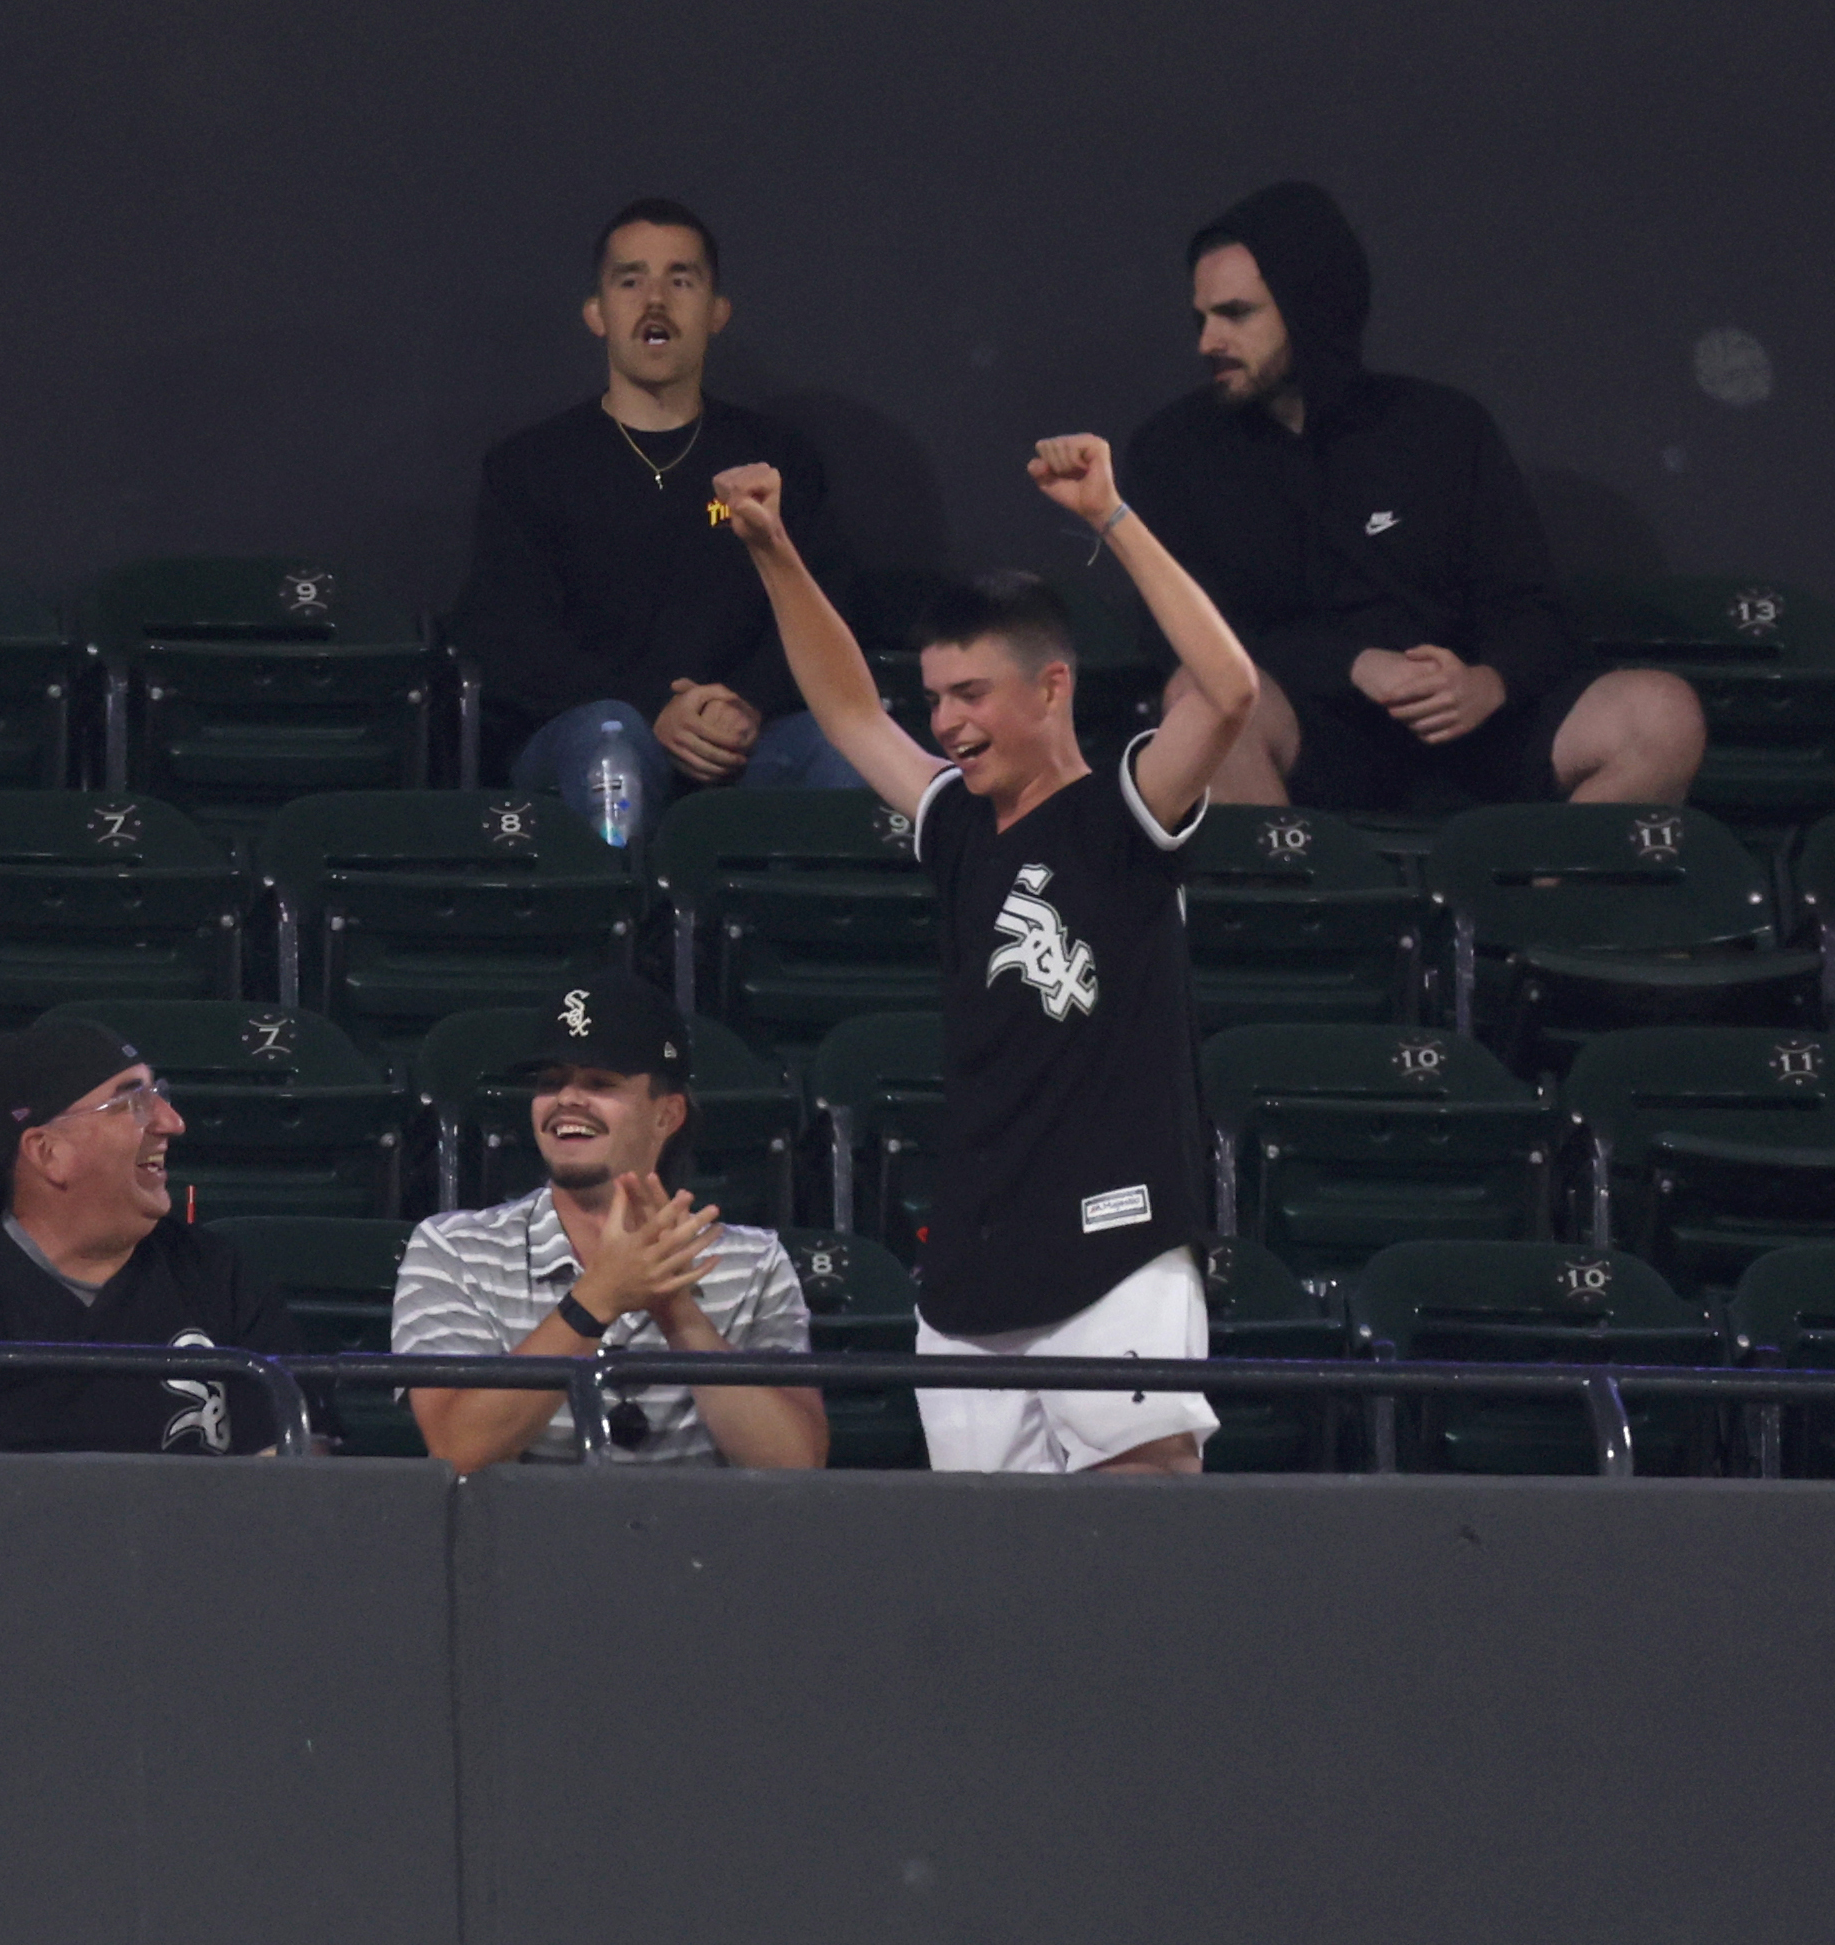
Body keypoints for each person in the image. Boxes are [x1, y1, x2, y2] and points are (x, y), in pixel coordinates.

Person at [714, 440, 1260, 1475]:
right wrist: (773, 549)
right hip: (971, 1268)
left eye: (972, 694)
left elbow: (1229, 690)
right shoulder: (957, 825)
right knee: (986, 1586)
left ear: (1052, 687)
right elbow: (844, 710)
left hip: (1115, 1248)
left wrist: (1110, 515)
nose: (949, 723)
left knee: (1137, 1563)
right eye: (938, 697)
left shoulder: (1123, 816)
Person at [1114, 181, 1703, 814]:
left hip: (1470, 734)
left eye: (1236, 314)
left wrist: (1488, 682)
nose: (1209, 342)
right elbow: (1176, 637)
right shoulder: (1173, 451)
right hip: (1312, 738)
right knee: (1203, 699)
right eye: (1201, 318)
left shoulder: (1444, 428)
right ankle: (1308, 905)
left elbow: (1532, 611)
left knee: (1661, 715)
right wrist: (1355, 665)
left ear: (1311, 309)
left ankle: (1529, 911)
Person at [449, 201, 865, 843]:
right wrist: (653, 711)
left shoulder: (778, 461)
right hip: (590, 733)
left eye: (681, 280)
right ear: (597, 313)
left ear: (716, 311)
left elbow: (830, 609)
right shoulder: (529, 464)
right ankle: (616, 937)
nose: (655, 300)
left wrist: (744, 704)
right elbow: (510, 636)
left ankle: (825, 940)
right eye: (630, 279)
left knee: (849, 749)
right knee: (611, 743)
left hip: (749, 736)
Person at [394, 974, 825, 1471]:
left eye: (599, 1083)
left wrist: (677, 1310)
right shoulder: (453, 1250)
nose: (567, 1100)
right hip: (519, 1543)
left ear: (667, 1115)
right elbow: (456, 1448)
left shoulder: (753, 1264)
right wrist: (596, 1299)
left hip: (700, 1543)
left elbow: (796, 1467)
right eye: (550, 1082)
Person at [0, 1017, 298, 1456]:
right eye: (132, 1102)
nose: (172, 1122)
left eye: (159, 1094)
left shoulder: (216, 1272)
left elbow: (300, 1465)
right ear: (48, 1152)